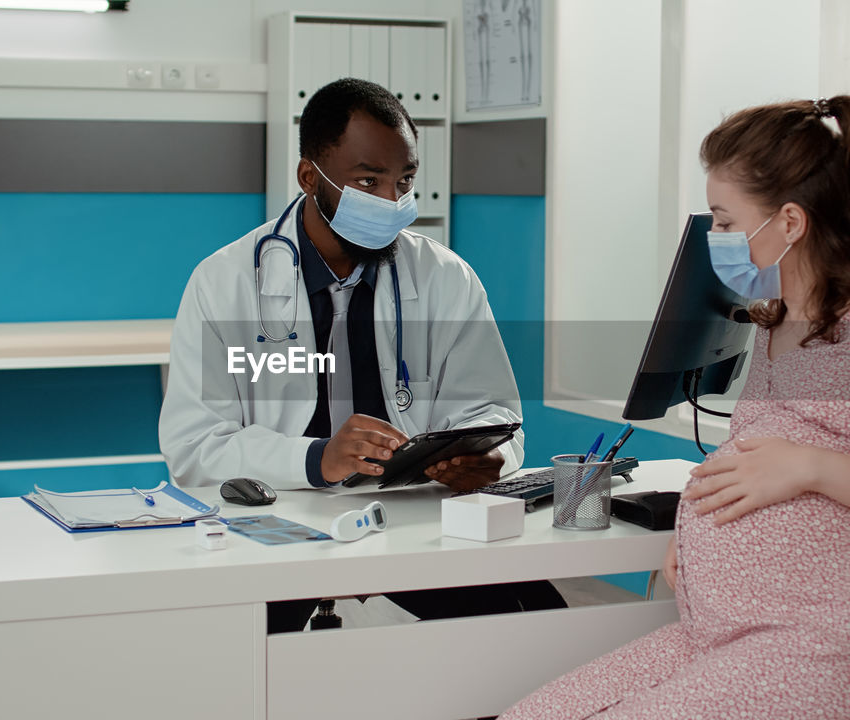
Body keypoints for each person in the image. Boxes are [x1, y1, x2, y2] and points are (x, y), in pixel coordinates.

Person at [501, 96, 850, 719]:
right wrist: (698, 531)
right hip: (726, 634)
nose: (714, 240)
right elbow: (763, 458)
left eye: (725, 221)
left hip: (835, 654)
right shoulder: (776, 324)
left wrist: (811, 467)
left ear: (790, 222)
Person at [159, 77, 565, 632]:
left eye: (404, 181)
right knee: (237, 653)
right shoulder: (224, 282)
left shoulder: (445, 277)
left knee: (534, 621)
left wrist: (485, 458)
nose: (391, 202)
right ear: (310, 177)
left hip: (416, 516)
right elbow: (195, 446)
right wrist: (317, 458)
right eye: (367, 181)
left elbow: (494, 413)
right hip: (281, 522)